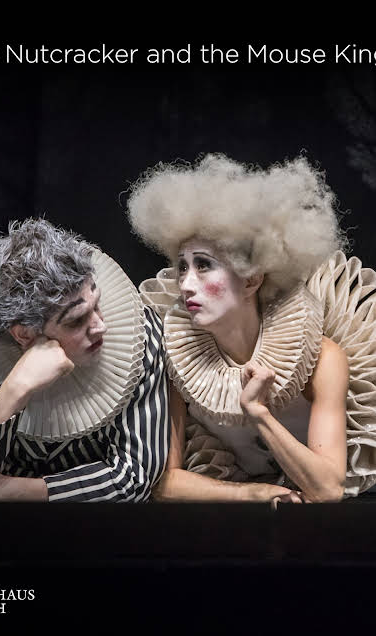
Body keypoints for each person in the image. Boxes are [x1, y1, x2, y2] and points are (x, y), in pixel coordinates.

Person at [127, 153, 376, 503]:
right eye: (182, 266)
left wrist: (259, 413)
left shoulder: (324, 359)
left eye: (203, 265)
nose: (185, 284)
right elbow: (163, 482)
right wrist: (253, 492)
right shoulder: (176, 359)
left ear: (251, 279)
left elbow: (328, 489)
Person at [0, 218, 169, 502]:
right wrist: (13, 391)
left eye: (96, 303)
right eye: (76, 320)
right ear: (24, 334)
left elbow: (134, 478)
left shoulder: (142, 337)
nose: (101, 326)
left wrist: (13, 491)